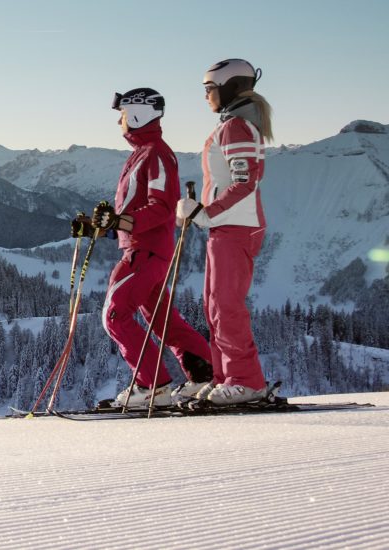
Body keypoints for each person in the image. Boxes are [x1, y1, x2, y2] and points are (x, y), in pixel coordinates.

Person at [93, 88, 215, 408]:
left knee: (115, 316)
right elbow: (135, 211)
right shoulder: (144, 152)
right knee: (163, 320)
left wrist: (119, 223)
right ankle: (205, 373)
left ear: (138, 113)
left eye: (122, 114)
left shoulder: (156, 153)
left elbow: (161, 208)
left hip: (144, 253)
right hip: (145, 249)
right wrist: (106, 226)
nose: (119, 120)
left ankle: (152, 387)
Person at [177, 59, 274, 405]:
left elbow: (245, 182)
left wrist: (205, 212)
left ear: (229, 88)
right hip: (226, 227)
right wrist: (206, 215)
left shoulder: (236, 127)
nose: (205, 96)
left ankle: (245, 381)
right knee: (215, 306)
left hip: (236, 226)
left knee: (227, 306)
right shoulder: (233, 126)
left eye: (209, 89)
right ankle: (226, 378)